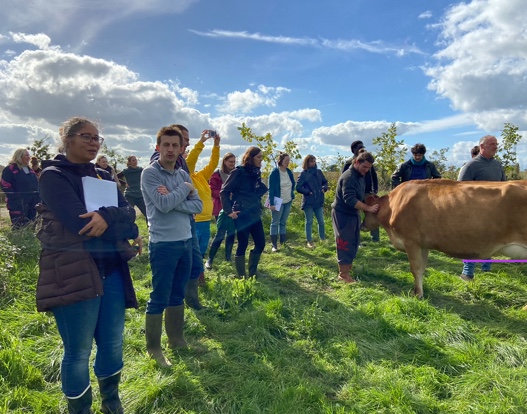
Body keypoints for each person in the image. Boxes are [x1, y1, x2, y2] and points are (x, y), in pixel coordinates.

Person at [36, 117, 141, 414]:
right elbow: (79, 223)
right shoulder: (53, 176)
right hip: (74, 272)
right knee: (78, 353)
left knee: (112, 345)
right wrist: (121, 224)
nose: (94, 142)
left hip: (112, 272)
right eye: (87, 136)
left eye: (98, 138)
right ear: (67, 139)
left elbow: (129, 213)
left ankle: (111, 403)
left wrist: (109, 217)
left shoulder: (104, 176)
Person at [141, 125, 203, 367]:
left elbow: (197, 207)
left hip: (186, 240)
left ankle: (177, 340)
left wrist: (175, 195)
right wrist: (183, 192)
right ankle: (153, 348)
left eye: (175, 145)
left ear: (181, 148)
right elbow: (163, 205)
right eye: (165, 144)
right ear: (157, 147)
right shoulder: (150, 174)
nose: (170, 149)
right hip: (163, 244)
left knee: (177, 294)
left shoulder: (182, 175)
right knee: (159, 296)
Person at [458, 135, 505, 281]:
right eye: (492, 144)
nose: (495, 146)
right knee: (472, 240)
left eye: (496, 144)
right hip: (475, 212)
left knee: (490, 238)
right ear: (482, 147)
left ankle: (486, 269)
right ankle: (467, 272)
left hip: (494, 211)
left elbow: (504, 186)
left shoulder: (498, 165)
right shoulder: (471, 166)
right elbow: (459, 190)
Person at [331, 151, 380, 283]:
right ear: (357, 162)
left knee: (354, 241)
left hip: (353, 214)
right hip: (343, 214)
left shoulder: (359, 175)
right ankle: (343, 275)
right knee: (344, 243)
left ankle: (347, 269)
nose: (367, 170)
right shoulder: (348, 177)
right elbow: (350, 199)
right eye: (365, 167)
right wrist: (368, 208)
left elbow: (358, 195)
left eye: (369, 168)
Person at [220, 146, 268, 278]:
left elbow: (256, 190)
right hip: (241, 213)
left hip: (254, 212)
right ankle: (241, 275)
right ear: (250, 158)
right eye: (259, 157)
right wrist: (229, 211)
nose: (261, 160)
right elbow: (224, 192)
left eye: (261, 157)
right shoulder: (238, 172)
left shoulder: (256, 172)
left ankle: (253, 272)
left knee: (261, 243)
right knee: (243, 243)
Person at [186, 130, 221, 258]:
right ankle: (193, 275)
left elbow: (213, 164)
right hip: (195, 220)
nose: (188, 157)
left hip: (206, 219)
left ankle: (199, 274)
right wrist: (201, 142)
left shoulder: (200, 175)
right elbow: (190, 161)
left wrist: (216, 146)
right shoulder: (187, 176)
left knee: (201, 251)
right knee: (193, 251)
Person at [342, 140, 380, 242]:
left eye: (362, 146)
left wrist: (375, 189)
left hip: (368, 192)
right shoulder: (349, 163)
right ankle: (357, 240)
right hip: (355, 194)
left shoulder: (367, 161)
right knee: (356, 215)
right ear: (354, 150)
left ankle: (375, 239)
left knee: (373, 213)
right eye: (359, 147)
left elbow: (374, 177)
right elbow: (344, 179)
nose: (362, 149)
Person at [206, 152, 236, 269]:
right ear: (224, 162)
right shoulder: (217, 175)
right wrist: (225, 195)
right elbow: (212, 191)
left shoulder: (235, 174)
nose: (232, 164)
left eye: (234, 162)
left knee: (232, 233)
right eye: (230, 162)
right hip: (221, 207)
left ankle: (228, 257)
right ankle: (210, 259)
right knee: (220, 233)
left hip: (234, 207)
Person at [1, 148, 40, 228]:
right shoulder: (10, 169)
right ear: (19, 156)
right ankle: (18, 240)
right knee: (19, 226)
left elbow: (36, 185)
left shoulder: (30, 170)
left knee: (31, 225)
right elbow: (5, 185)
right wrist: (16, 198)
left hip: (32, 202)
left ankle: (30, 239)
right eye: (26, 155)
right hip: (18, 204)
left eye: (29, 155)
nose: (29, 157)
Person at [296, 154, 328, 248]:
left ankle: (322, 239)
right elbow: (298, 187)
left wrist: (324, 188)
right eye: (311, 161)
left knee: (321, 221)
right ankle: (309, 241)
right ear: (307, 162)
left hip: (318, 201)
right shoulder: (303, 173)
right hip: (308, 202)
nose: (313, 163)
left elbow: (325, 182)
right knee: (309, 221)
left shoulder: (319, 172)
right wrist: (307, 192)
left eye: (314, 161)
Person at [267, 152, 295, 252]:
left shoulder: (289, 172)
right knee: (275, 222)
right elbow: (271, 189)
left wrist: (292, 195)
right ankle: (274, 245)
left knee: (283, 222)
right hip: (278, 201)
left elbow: (292, 184)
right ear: (281, 161)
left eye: (289, 160)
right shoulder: (275, 172)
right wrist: (272, 203)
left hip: (288, 200)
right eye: (286, 160)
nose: (288, 162)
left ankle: (283, 242)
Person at [121, 155, 147, 223]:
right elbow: (116, 177)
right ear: (129, 162)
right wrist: (124, 183)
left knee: (148, 213)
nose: (135, 161)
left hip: (140, 195)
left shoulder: (141, 170)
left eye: (135, 160)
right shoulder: (126, 171)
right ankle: (128, 231)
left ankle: (151, 231)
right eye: (133, 160)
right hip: (130, 195)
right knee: (129, 215)